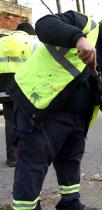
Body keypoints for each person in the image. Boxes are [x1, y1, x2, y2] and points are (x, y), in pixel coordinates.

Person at [8, 11, 102, 210]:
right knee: (33, 164)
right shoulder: (84, 25)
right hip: (43, 109)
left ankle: (70, 204)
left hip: (76, 119)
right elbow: (44, 24)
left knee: (70, 161)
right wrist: (78, 38)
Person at [0, 22, 37, 167]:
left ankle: (12, 157)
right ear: (28, 32)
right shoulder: (32, 42)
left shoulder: (1, 41)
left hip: (3, 88)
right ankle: (26, 154)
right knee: (25, 120)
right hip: (23, 87)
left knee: (10, 121)